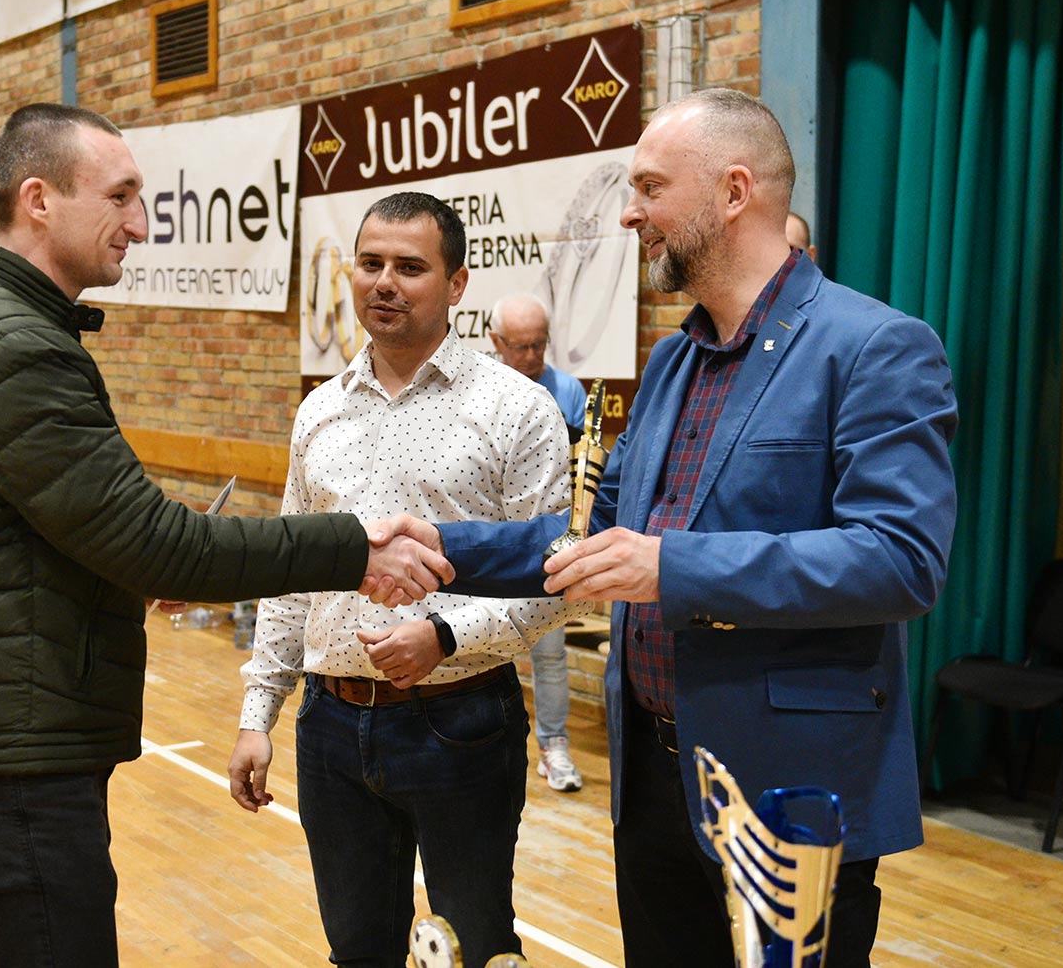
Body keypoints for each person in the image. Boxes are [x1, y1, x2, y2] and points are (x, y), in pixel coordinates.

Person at [377, 89, 957, 968]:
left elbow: (901, 559)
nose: (628, 211)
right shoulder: (673, 357)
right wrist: (445, 546)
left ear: (733, 192)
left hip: (792, 778)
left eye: (650, 186)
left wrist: (675, 567)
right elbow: (598, 540)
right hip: (650, 770)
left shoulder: (876, 345)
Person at [0, 103, 450, 968]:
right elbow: (159, 541)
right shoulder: (12, 346)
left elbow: (63, 538)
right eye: (120, 197)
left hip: (3, 747)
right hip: (12, 763)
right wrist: (354, 547)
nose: (141, 224)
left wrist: (125, 573)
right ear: (38, 199)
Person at [228, 192, 573, 967]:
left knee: (478, 944)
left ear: (456, 284)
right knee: (357, 949)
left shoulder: (518, 410)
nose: (385, 281)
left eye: (410, 267)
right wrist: (260, 712)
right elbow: (292, 574)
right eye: (371, 262)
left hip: (461, 724)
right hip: (328, 728)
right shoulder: (318, 412)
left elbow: (556, 576)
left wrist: (444, 636)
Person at [489, 294, 586, 793]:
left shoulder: (567, 391)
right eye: (520, 346)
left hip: (544, 546)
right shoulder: (481, 392)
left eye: (539, 345)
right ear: (496, 343)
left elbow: (579, 476)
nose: (531, 356)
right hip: (488, 548)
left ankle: (554, 746)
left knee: (550, 654)